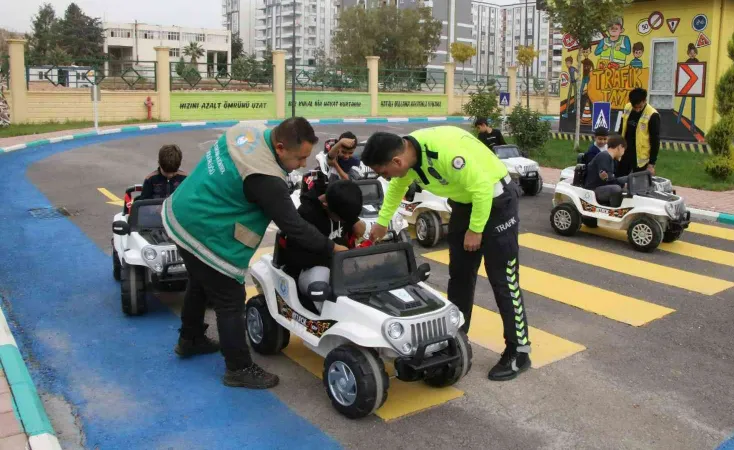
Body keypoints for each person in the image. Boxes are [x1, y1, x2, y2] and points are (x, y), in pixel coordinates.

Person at [161, 117, 349, 390]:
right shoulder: (265, 177)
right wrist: (331, 247)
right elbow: (293, 226)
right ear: (281, 148)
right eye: (300, 158)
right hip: (202, 229)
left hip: (182, 210)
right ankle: (238, 368)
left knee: (201, 280)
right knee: (230, 299)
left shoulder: (249, 129)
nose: (303, 165)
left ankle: (189, 340)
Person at [361, 126, 531, 382]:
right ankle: (456, 337)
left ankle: (519, 351)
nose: (384, 178)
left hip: (496, 201)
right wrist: (382, 222)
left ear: (397, 160)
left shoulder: (446, 154)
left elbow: (483, 188)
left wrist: (476, 230)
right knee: (460, 276)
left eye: (383, 172)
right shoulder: (408, 158)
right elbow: (398, 186)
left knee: (503, 280)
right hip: (464, 203)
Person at [282, 179, 365, 312]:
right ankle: (329, 318)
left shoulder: (339, 203)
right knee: (321, 283)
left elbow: (347, 217)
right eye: (342, 219)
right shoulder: (306, 214)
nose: (344, 222)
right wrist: (332, 253)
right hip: (311, 269)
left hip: (341, 264)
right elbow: (295, 257)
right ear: (325, 205)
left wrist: (356, 222)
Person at [616, 87, 660, 177]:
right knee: (619, 179)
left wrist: (651, 164)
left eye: (639, 107)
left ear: (645, 100)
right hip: (624, 152)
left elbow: (655, 141)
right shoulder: (627, 107)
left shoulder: (653, 115)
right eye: (634, 107)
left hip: (640, 158)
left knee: (638, 185)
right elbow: (621, 129)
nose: (637, 110)